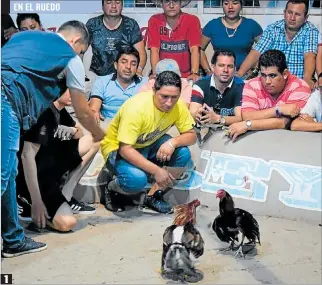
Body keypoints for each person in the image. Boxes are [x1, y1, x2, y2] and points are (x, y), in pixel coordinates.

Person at [1, 21, 105, 258]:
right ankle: (14, 238)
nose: (79, 57)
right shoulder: (69, 56)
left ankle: (13, 240)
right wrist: (98, 133)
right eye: (81, 51)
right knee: (2, 176)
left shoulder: (21, 38)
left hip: (8, 100)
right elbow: (82, 111)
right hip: (5, 98)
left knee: (5, 174)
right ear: (75, 42)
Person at [100, 71, 197, 213]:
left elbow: (192, 136)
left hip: (148, 143)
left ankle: (153, 196)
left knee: (183, 153)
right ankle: (111, 188)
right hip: (117, 150)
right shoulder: (136, 108)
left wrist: (172, 143)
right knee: (137, 180)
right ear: (154, 90)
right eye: (164, 97)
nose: (169, 103)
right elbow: (125, 149)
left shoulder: (178, 106)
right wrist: (157, 170)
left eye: (174, 97)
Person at [16, 90, 99, 231]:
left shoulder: (60, 110)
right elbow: (26, 156)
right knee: (67, 223)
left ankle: (66, 195)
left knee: (95, 140)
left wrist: (72, 130)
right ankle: (28, 203)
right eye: (71, 90)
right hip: (38, 176)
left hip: (53, 163)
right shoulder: (43, 111)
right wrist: (37, 201)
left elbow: (80, 133)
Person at [228, 49, 311, 141]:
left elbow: (283, 123)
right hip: (256, 139)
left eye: (272, 76)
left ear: (285, 74)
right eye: (263, 75)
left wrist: (248, 125)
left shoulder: (300, 87)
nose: (267, 81)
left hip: (289, 141)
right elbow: (248, 116)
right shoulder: (252, 85)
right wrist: (278, 110)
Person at [237, 0, 319, 88]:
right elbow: (256, 52)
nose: (292, 18)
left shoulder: (310, 31)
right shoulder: (273, 29)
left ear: (306, 17)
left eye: (297, 14)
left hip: (297, 85)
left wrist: (307, 80)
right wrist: (239, 75)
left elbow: (309, 56)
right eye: (289, 12)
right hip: (270, 85)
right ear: (284, 13)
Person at [86, 0, 146, 77]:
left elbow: (141, 52)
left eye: (117, 2)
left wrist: (139, 70)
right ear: (102, 6)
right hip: (96, 75)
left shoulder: (131, 24)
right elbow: (81, 50)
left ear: (122, 6)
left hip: (124, 75)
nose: (113, 6)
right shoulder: (92, 24)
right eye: (109, 2)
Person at [200, 0, 262, 74]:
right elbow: (199, 49)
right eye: (226, 3)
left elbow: (264, 49)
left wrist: (255, 70)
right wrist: (208, 71)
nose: (230, 7)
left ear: (241, 5)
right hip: (219, 74)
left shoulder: (252, 25)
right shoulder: (212, 25)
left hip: (245, 75)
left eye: (235, 3)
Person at [147, 0, 201, 81]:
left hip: (186, 76)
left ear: (181, 3)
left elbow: (194, 49)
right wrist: (155, 73)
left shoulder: (192, 20)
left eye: (175, 1)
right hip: (162, 75)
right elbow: (154, 50)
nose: (171, 6)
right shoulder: (154, 20)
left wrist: (194, 73)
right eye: (167, 1)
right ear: (161, 3)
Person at [89, 47, 147, 123]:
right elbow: (94, 108)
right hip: (107, 123)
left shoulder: (145, 83)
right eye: (124, 62)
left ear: (136, 68)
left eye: (133, 64)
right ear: (116, 65)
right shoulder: (102, 81)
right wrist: (94, 112)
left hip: (135, 125)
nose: (128, 67)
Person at [190, 50, 244, 126]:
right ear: (212, 67)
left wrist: (218, 118)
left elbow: (241, 118)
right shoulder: (200, 85)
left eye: (230, 66)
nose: (225, 70)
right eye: (221, 65)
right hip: (205, 128)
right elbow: (193, 113)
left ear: (235, 69)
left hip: (232, 130)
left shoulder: (241, 86)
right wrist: (198, 116)